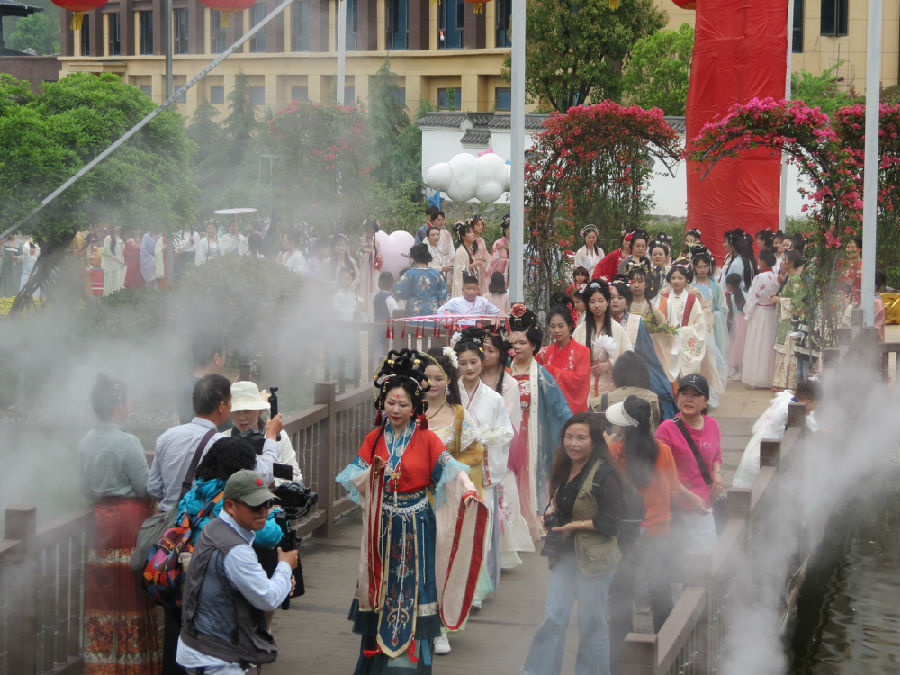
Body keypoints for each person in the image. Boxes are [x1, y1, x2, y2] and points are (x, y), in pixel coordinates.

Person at [336, 349, 487, 672]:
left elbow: (452, 469)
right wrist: (373, 474)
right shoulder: (374, 438)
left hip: (417, 525)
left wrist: (468, 488)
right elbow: (353, 476)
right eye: (391, 403)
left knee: (415, 590)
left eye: (403, 404)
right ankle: (376, 663)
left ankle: (410, 665)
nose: (396, 410)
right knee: (382, 589)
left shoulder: (428, 439)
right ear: (382, 403)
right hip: (382, 527)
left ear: (415, 406)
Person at [151, 374, 283, 674]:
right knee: (212, 618)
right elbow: (262, 476)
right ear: (223, 406)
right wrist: (272, 440)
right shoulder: (223, 444)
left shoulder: (167, 437)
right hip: (213, 559)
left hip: (176, 544)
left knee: (178, 625)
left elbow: (154, 488)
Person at [522, 412, 624, 675]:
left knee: (592, 623)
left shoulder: (605, 473)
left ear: (594, 441)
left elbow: (612, 522)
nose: (573, 444)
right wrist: (550, 513)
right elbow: (561, 502)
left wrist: (575, 526)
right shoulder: (563, 466)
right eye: (568, 437)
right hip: (564, 555)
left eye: (580, 438)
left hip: (595, 559)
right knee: (553, 617)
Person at [176, 470, 298, 674]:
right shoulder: (235, 549)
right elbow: (268, 598)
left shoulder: (214, 527)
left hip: (197, 646)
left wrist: (282, 584)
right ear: (230, 506)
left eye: (267, 504)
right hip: (216, 657)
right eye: (255, 506)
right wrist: (285, 566)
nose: (264, 512)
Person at [79, 375, 161, 674]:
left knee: (103, 591)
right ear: (119, 404)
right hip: (129, 522)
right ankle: (132, 667)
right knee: (131, 590)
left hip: (101, 521)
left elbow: (85, 488)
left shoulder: (85, 441)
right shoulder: (128, 442)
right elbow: (145, 487)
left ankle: (102, 666)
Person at [606, 396, 688, 672]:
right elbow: (673, 491)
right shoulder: (663, 451)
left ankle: (619, 661)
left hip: (626, 533)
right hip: (658, 531)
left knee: (622, 595)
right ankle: (667, 657)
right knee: (660, 594)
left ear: (624, 426)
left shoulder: (613, 452)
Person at [422, 347, 487, 654]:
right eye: (427, 378)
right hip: (409, 497)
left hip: (445, 499)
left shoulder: (458, 414)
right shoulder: (407, 409)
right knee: (413, 560)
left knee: (441, 559)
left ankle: (439, 627)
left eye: (439, 378)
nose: (433, 384)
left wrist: (448, 470)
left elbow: (474, 454)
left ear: (449, 379)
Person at [453, 329, 515, 599]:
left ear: (482, 361)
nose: (469, 367)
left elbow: (506, 432)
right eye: (463, 362)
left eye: (473, 362)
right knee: (455, 531)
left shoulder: (494, 398)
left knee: (482, 531)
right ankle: (455, 588)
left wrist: (481, 437)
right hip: (455, 472)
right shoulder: (450, 395)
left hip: (483, 473)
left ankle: (475, 591)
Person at [507, 304, 573, 536]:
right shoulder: (505, 373)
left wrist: (575, 428)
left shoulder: (542, 376)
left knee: (529, 475)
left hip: (531, 437)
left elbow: (559, 407)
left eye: (522, 342)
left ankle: (530, 520)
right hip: (509, 435)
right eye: (513, 343)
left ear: (534, 345)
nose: (517, 347)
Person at [479, 331, 533, 568]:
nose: (485, 355)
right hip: (476, 444)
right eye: (483, 350)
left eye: (490, 350)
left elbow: (508, 417)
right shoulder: (473, 377)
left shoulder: (510, 384)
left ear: (501, 354)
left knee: (504, 493)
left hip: (499, 445)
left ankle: (504, 549)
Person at [655, 374, 722, 552]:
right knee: (680, 561)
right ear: (677, 398)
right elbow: (662, 473)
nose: (688, 399)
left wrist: (717, 473)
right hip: (677, 510)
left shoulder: (712, 425)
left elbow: (717, 454)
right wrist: (690, 496)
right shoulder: (666, 429)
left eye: (695, 395)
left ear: (705, 402)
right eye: (684, 394)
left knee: (704, 560)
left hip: (703, 507)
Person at [732, 378, 821, 488]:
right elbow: (811, 425)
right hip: (769, 446)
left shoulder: (792, 401)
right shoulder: (788, 409)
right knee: (764, 477)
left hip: (774, 442)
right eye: (816, 404)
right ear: (807, 401)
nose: (815, 408)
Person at [606, 285, 677, 422]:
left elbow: (647, 355)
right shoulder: (599, 323)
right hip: (603, 374)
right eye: (612, 298)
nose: (615, 301)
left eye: (620, 298)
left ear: (627, 300)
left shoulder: (636, 322)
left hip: (632, 375)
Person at [223, 381, 302, 484]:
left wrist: (273, 484)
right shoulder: (223, 439)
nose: (242, 417)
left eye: (247, 411)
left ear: (259, 410)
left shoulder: (278, 435)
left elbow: (295, 475)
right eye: (237, 411)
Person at [573, 279, 633, 408]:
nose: (597, 305)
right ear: (587, 304)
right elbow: (572, 357)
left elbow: (629, 356)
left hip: (610, 387)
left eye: (601, 301)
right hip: (586, 387)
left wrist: (610, 364)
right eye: (592, 301)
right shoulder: (580, 330)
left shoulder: (617, 328)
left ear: (607, 302)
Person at [537, 305, 592, 413]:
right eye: (552, 326)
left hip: (574, 412)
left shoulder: (583, 351)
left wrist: (552, 371)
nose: (556, 330)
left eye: (561, 326)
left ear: (569, 326)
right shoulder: (544, 353)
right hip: (550, 410)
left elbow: (580, 380)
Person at [742, 248, 780, 389]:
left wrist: (748, 313)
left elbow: (753, 297)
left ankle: (755, 378)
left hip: (759, 312)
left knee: (757, 344)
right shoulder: (776, 277)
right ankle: (768, 378)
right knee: (769, 345)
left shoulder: (760, 278)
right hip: (772, 312)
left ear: (762, 261)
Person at [771, 249, 805, 390]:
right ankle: (782, 382)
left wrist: (779, 300)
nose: (782, 263)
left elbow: (797, 302)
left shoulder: (795, 279)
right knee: (785, 351)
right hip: (786, 322)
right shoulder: (790, 278)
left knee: (789, 352)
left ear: (791, 263)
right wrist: (778, 298)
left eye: (784, 260)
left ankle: (787, 383)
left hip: (792, 323)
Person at [179, 332, 227, 425]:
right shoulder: (213, 392)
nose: (225, 361)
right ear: (217, 358)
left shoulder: (186, 387)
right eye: (224, 356)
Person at [394, 243, 450, 318]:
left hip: (414, 311)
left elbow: (398, 292)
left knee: (414, 326)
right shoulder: (436, 274)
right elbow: (444, 297)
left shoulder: (409, 274)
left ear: (414, 258)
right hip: (432, 312)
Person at [724, 273, 749, 381]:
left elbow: (729, 313)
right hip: (746, 322)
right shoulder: (746, 295)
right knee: (743, 347)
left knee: (736, 347)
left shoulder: (730, 297)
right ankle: (743, 371)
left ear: (729, 285)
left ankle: (739, 372)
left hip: (735, 323)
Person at [450, 221, 484, 298]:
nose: (472, 234)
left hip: (471, 283)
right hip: (463, 285)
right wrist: (474, 265)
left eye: (472, 232)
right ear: (463, 236)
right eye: (469, 232)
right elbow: (459, 271)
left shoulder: (470, 249)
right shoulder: (460, 251)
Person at [101, 225, 126, 296]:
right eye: (116, 225)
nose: (118, 227)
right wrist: (118, 261)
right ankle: (110, 300)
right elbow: (106, 252)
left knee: (120, 285)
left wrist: (124, 262)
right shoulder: (108, 238)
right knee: (111, 285)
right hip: (111, 266)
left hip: (122, 266)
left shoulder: (123, 238)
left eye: (119, 225)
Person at [469, 215, 492, 293]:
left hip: (483, 268)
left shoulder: (482, 240)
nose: (480, 227)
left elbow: (486, 255)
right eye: (478, 225)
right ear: (472, 226)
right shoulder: (471, 241)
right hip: (475, 268)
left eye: (481, 225)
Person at [486, 214, 510, 285]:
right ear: (505, 230)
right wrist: (509, 261)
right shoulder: (498, 243)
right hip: (501, 277)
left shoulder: (517, 244)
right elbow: (494, 261)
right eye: (509, 228)